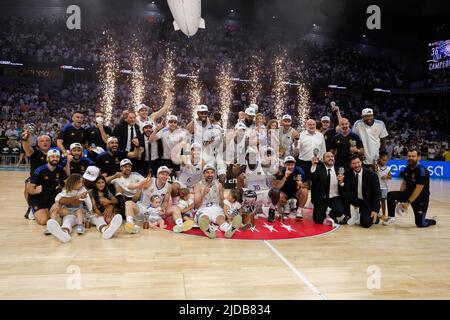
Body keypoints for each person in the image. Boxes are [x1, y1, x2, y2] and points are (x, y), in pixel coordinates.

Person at [385, 150, 437, 227]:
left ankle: (433, 220)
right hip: (408, 194)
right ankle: (391, 217)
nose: (411, 158)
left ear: (418, 157)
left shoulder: (422, 170)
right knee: (390, 195)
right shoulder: (407, 169)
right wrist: (399, 199)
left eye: (413, 156)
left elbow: (419, 189)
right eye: (409, 156)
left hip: (420, 198)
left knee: (420, 224)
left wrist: (408, 203)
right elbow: (404, 183)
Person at [193, 164, 242, 239]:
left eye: (212, 172)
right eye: (207, 172)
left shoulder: (218, 185)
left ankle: (229, 229)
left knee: (221, 219)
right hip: (203, 208)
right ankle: (209, 230)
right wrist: (203, 194)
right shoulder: (198, 185)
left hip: (216, 207)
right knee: (204, 218)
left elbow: (222, 201)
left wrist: (228, 210)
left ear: (214, 174)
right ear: (203, 173)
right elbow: (196, 205)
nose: (210, 175)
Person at [27, 149, 67, 226]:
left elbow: (66, 184)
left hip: (52, 198)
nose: (55, 159)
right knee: (43, 221)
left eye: (57, 157)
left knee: (65, 213)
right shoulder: (39, 170)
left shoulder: (61, 169)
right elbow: (30, 190)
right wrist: (35, 191)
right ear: (47, 158)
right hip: (38, 198)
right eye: (52, 157)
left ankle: (49, 211)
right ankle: (33, 210)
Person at [341, 155, 381, 228]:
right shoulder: (348, 173)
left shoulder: (372, 175)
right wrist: (341, 183)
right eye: (353, 163)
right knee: (343, 193)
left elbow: (377, 193)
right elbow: (346, 189)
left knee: (366, 224)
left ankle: (372, 216)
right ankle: (348, 215)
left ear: (361, 162)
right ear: (350, 164)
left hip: (368, 201)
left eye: (358, 162)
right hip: (356, 200)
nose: (356, 165)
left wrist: (375, 210)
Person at [20, 129, 52, 219]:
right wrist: (25, 140)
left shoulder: (55, 154)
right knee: (28, 184)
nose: (45, 142)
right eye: (42, 141)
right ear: (38, 144)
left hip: (51, 178)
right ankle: (31, 207)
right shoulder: (34, 152)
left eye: (47, 140)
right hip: (36, 179)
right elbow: (27, 148)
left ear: (51, 142)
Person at [310, 152, 346, 226]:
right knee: (318, 220)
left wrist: (341, 182)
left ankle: (331, 214)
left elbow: (345, 186)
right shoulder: (318, 169)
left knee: (339, 211)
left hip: (334, 197)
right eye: (328, 156)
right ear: (323, 160)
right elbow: (312, 177)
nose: (330, 158)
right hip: (321, 198)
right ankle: (322, 211)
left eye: (332, 156)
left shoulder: (340, 170)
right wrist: (313, 165)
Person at [272, 156, 308, 221]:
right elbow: (277, 187)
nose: (290, 167)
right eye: (288, 165)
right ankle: (286, 205)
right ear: (284, 165)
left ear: (295, 164)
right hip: (284, 192)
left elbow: (307, 185)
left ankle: (299, 210)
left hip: (296, 192)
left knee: (304, 191)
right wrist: (285, 177)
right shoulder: (281, 171)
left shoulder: (299, 170)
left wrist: (301, 184)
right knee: (278, 194)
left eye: (292, 164)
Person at [374, 151, 391, 220]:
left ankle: (384, 214)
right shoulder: (377, 167)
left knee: (383, 201)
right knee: (377, 200)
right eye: (383, 160)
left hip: (384, 187)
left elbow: (390, 177)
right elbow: (375, 170)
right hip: (377, 187)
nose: (384, 161)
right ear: (380, 159)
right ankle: (377, 212)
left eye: (386, 160)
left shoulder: (388, 168)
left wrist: (387, 176)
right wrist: (375, 162)